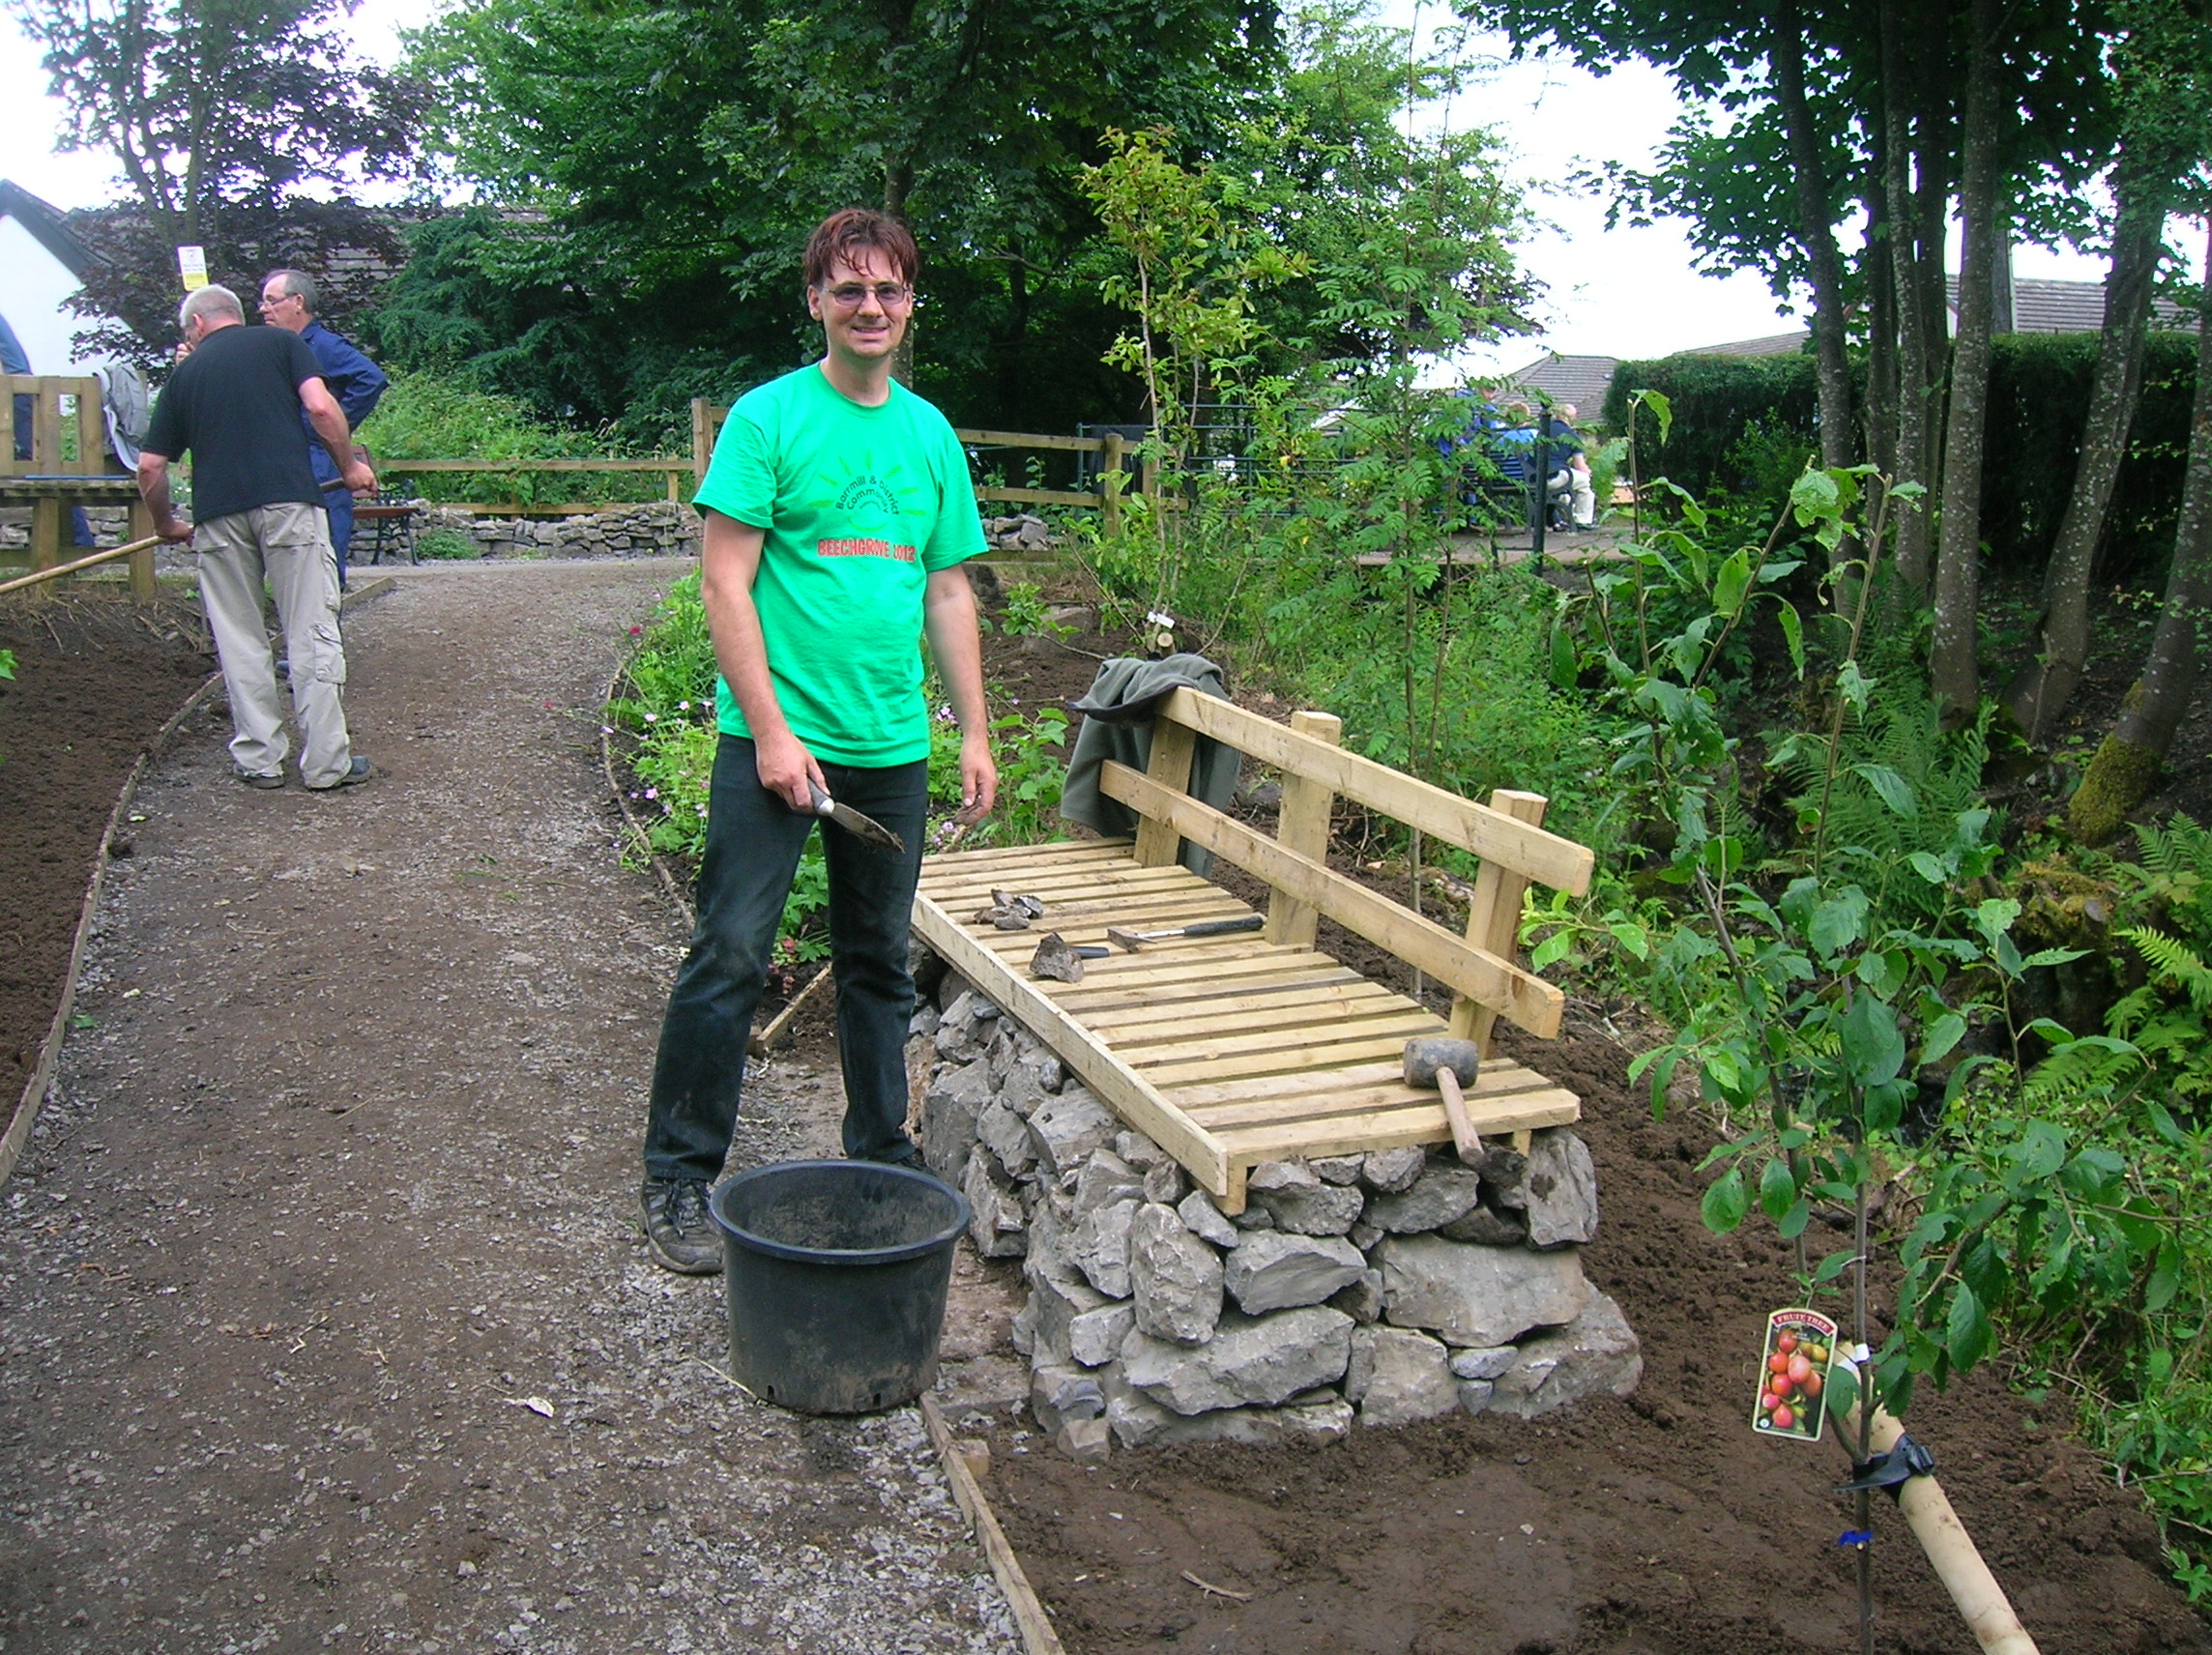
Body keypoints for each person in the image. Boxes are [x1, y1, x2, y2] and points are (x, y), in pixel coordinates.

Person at [637, 208, 997, 1275]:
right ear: (815, 302)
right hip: (776, 742)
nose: (870, 307)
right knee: (731, 953)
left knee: (877, 962)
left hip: (888, 747)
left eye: (888, 290)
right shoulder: (767, 419)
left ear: (909, 303)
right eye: (849, 290)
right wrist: (772, 734)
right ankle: (678, 1175)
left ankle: (879, 1148)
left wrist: (970, 730)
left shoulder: (928, 434)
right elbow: (724, 580)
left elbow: (945, 586)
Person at [137, 284, 375, 790]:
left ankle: (260, 759)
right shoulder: (283, 345)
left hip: (218, 517)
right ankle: (326, 763)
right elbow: (321, 408)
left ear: (198, 324)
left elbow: (151, 467)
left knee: (240, 638)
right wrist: (349, 466)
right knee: (310, 628)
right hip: (290, 504)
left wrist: (165, 524)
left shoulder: (185, 376)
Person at [259, 270, 388, 590]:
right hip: (281, 464)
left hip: (321, 464)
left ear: (298, 302)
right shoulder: (273, 349)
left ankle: (328, 634)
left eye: (271, 301)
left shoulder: (324, 346)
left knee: (326, 557)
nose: (263, 309)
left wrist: (331, 425)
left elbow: (370, 379)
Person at [1542, 403, 1595, 530]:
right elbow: (1580, 466)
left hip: (1534, 477)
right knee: (1585, 483)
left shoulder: (1543, 429)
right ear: (1572, 418)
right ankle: (1583, 521)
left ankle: (1569, 517)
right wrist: (1589, 472)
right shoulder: (1571, 435)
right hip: (1554, 476)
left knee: (1564, 493)